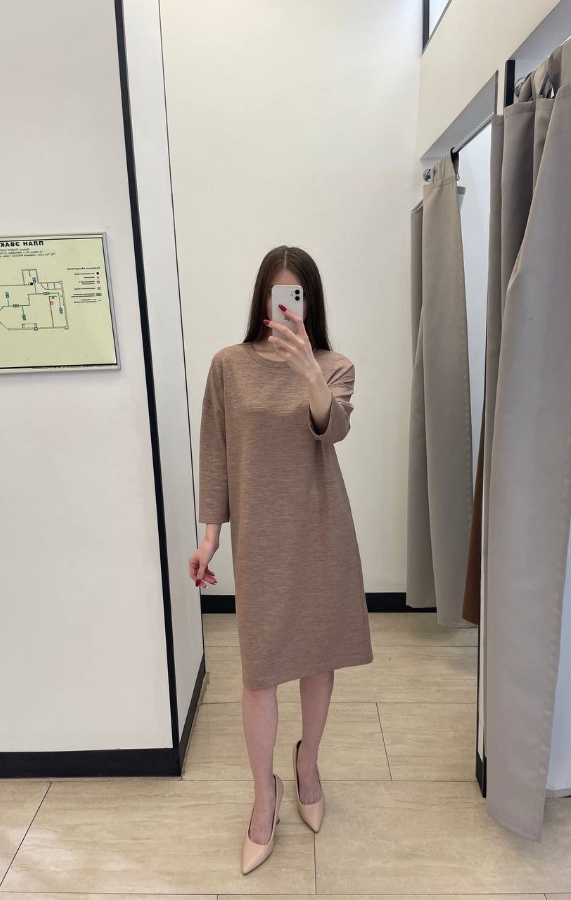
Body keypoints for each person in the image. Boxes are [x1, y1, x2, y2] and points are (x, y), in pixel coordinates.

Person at [189, 245, 373, 874]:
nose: (288, 308)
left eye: (299, 297)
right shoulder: (228, 366)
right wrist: (209, 536)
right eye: (279, 295)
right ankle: (263, 794)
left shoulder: (335, 366)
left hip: (321, 532)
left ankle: (307, 764)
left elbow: (333, 428)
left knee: (318, 658)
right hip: (260, 541)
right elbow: (216, 451)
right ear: (263, 300)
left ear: (311, 303)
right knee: (261, 671)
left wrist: (309, 372)